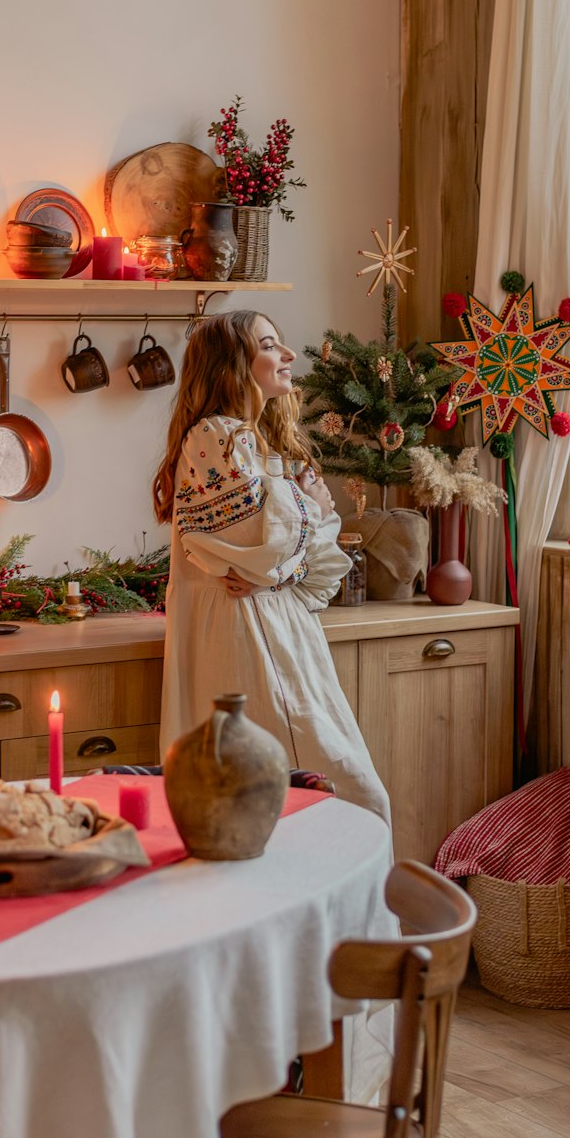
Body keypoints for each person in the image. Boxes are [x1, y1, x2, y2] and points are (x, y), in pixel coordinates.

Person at [153, 310, 391, 826]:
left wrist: (294, 536)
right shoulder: (214, 437)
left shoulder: (253, 444)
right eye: (269, 345)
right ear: (230, 367)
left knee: (295, 805)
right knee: (343, 798)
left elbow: (291, 559)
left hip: (276, 629)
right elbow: (258, 545)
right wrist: (314, 513)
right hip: (247, 636)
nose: (288, 356)